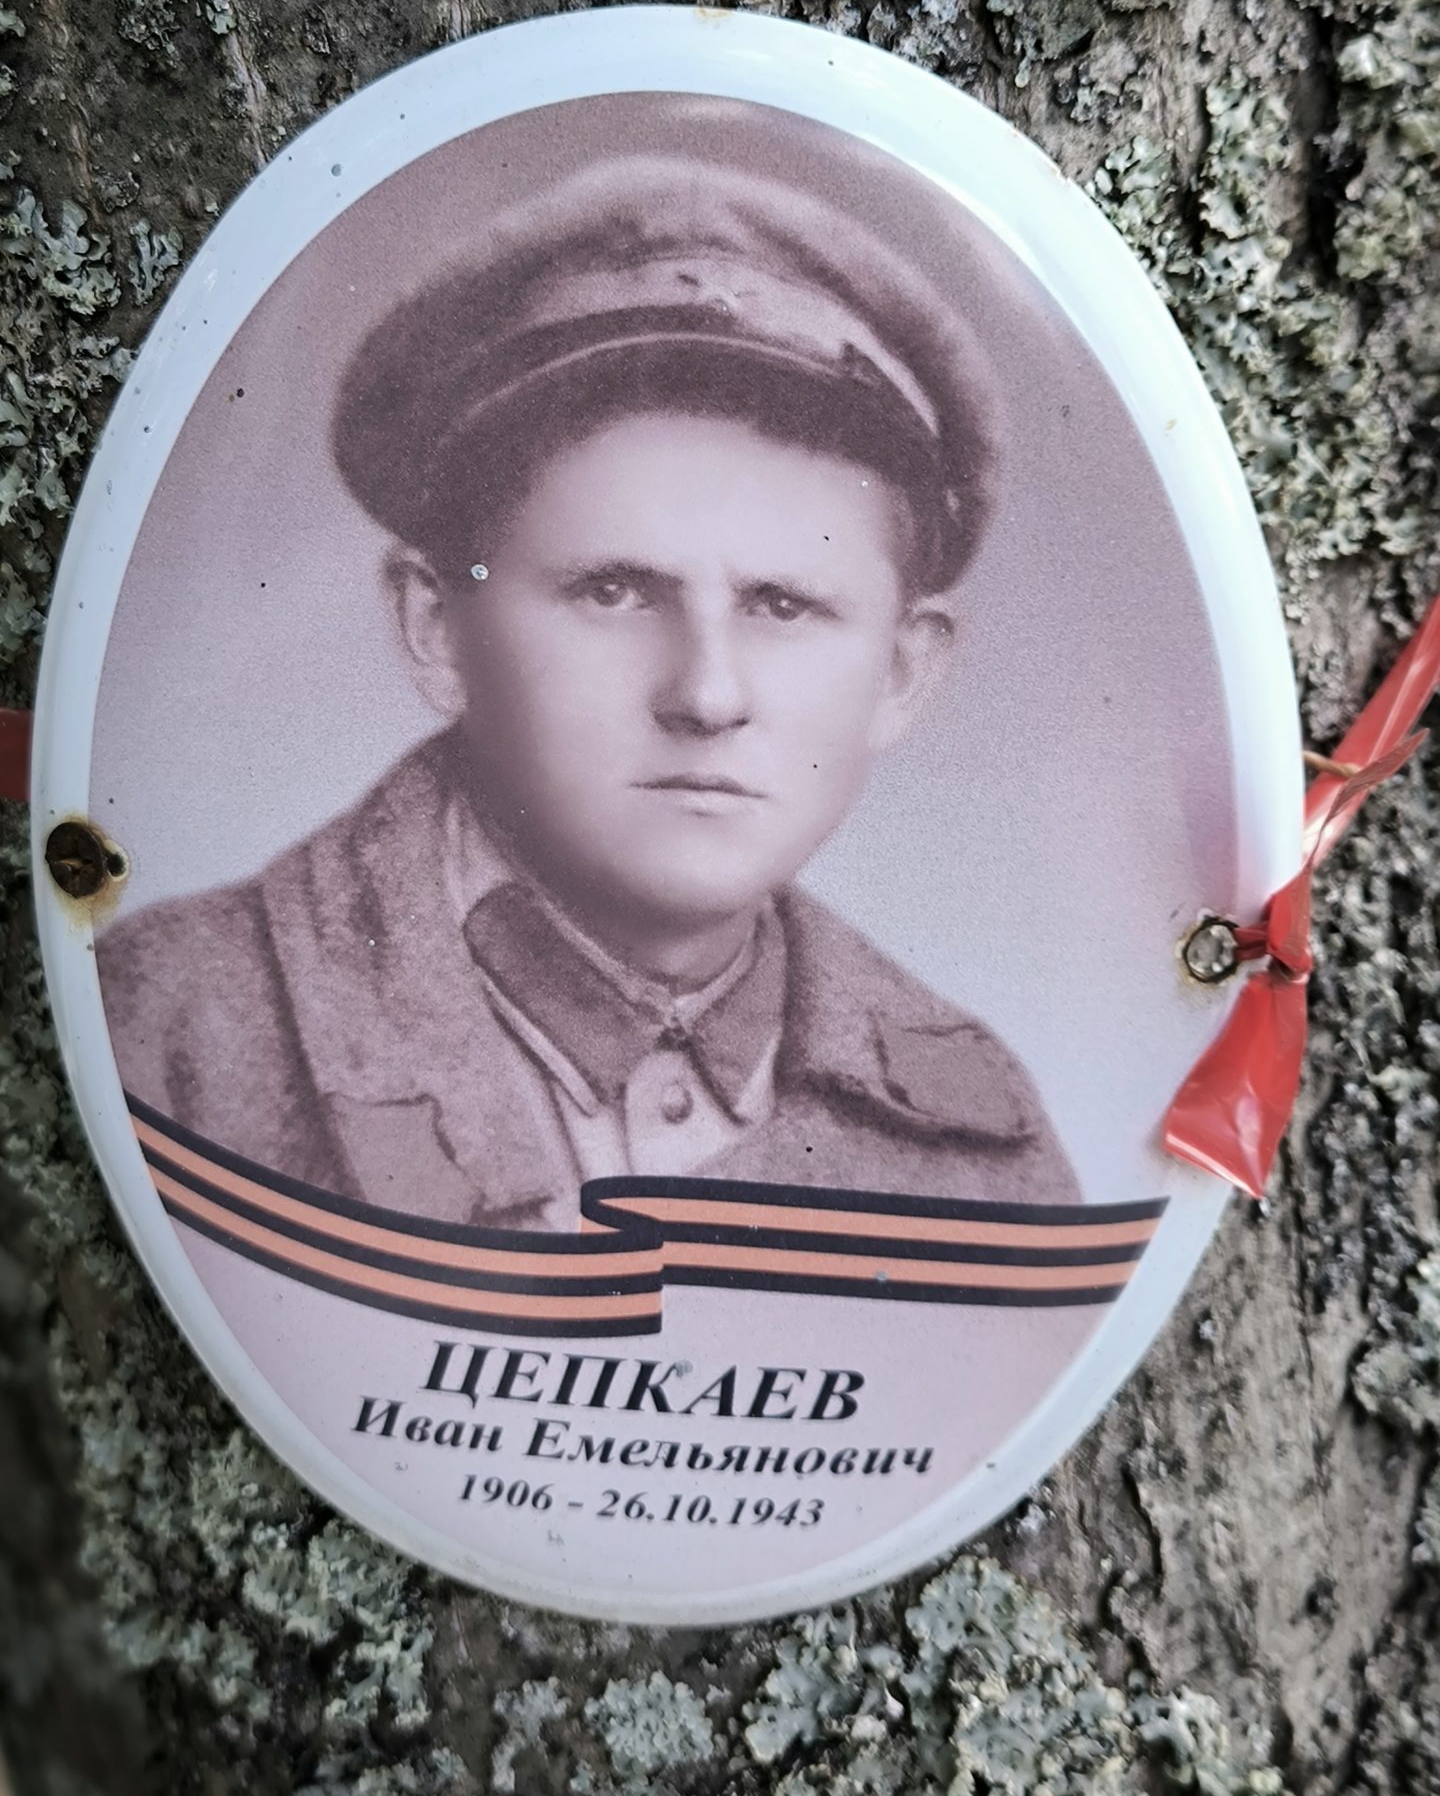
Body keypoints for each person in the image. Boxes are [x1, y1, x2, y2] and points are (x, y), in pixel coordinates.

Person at [98, 154, 1080, 1232]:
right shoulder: (169, 1029)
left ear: (901, 673)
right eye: (614, 592)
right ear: (437, 628)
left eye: (783, 605)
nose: (707, 694)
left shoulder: (983, 1145)